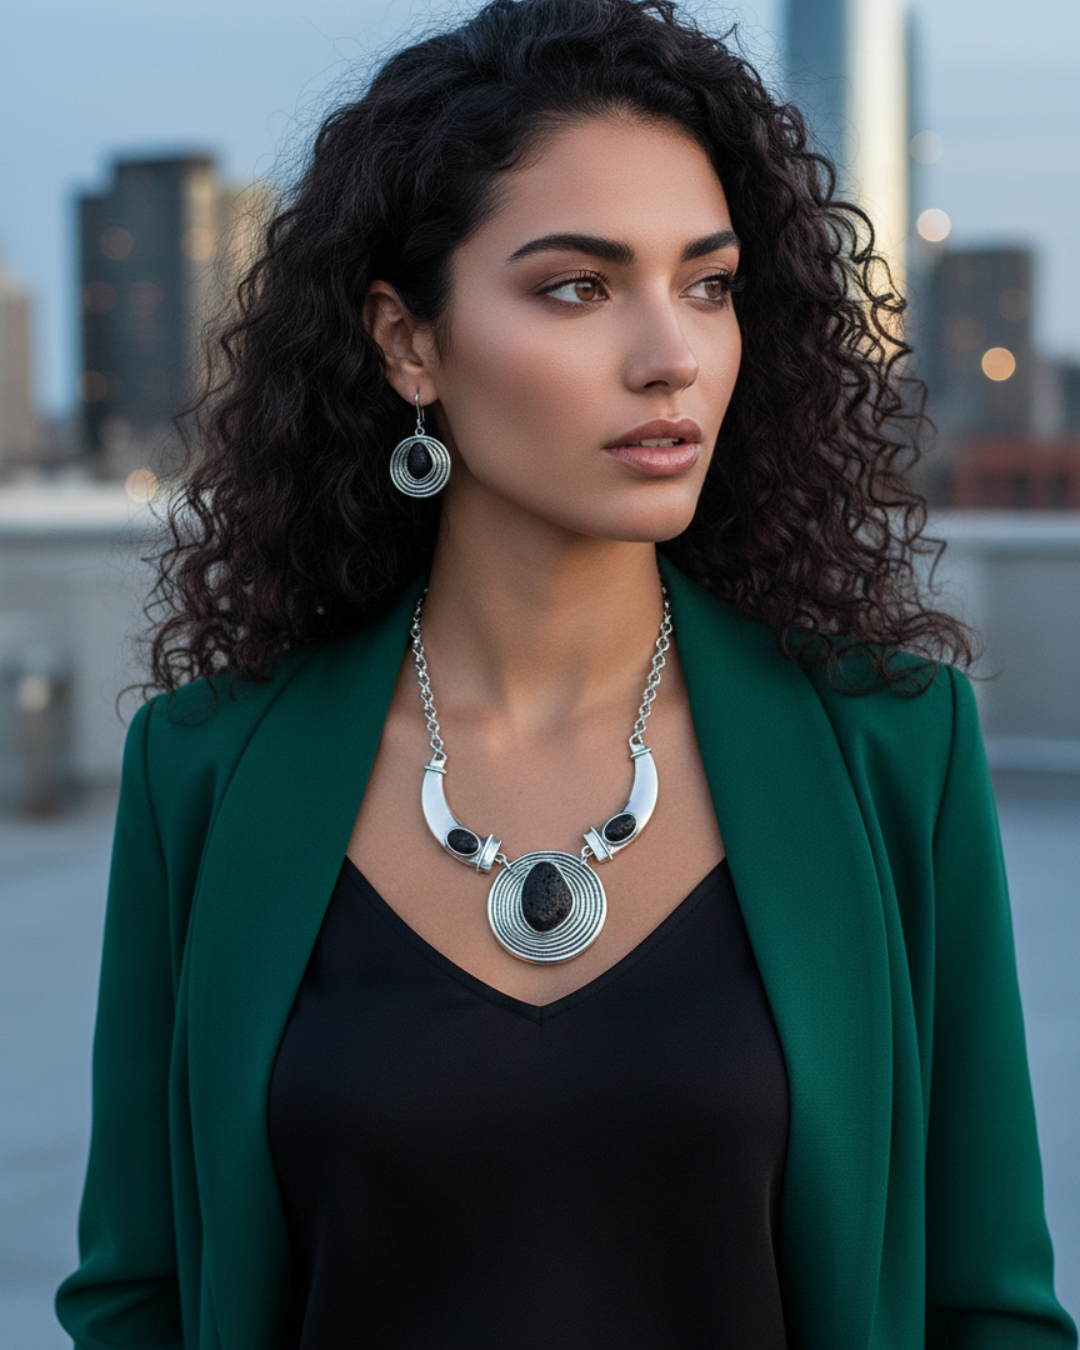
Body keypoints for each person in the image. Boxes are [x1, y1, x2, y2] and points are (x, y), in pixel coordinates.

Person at [57, 0, 1076, 1346]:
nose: (672, 355)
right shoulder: (205, 769)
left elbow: (986, 1306)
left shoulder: (889, 747)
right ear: (408, 341)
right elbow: (139, 1293)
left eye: (708, 284)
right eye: (578, 287)